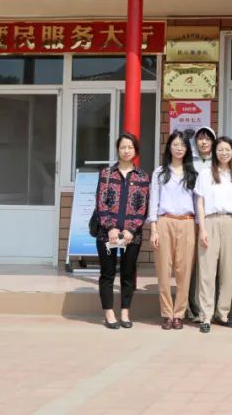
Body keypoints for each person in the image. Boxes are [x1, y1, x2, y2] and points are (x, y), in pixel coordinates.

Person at [95, 133, 150, 329]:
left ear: (135, 150)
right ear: (118, 150)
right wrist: (110, 227)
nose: (126, 151)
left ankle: (125, 312)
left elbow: (143, 207)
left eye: (130, 147)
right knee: (107, 273)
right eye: (123, 147)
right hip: (106, 233)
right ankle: (109, 313)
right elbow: (101, 203)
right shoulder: (106, 174)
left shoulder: (142, 176)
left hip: (131, 236)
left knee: (128, 274)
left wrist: (131, 230)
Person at [147, 132, 198, 330]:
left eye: (182, 145)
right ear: (169, 147)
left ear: (187, 149)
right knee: (163, 269)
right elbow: (154, 201)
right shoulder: (160, 172)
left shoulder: (193, 174)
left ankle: (179, 314)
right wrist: (153, 229)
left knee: (184, 271)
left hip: (187, 222)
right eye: (175, 144)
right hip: (164, 221)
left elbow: (198, 203)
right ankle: (167, 313)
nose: (178, 148)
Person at [194, 136, 232, 332]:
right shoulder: (205, 174)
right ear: (214, 152)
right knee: (207, 270)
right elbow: (200, 203)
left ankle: (222, 314)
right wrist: (202, 228)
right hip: (210, 222)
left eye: (227, 150)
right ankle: (205, 316)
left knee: (228, 271)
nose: (224, 153)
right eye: (220, 149)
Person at [187, 126, 217, 323]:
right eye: (200, 139)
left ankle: (210, 307)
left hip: (212, 218)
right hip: (192, 218)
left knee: (210, 263)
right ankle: (193, 307)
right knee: (193, 264)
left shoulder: (219, 161)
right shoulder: (189, 161)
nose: (204, 142)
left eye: (208, 139)